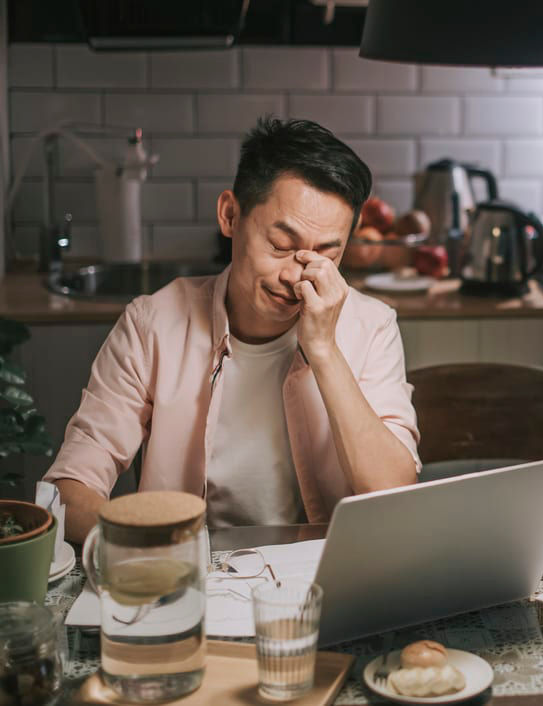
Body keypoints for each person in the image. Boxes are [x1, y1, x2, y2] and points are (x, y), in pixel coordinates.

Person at [44, 118, 420, 542]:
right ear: (230, 215)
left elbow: (394, 494)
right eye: (280, 245)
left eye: (326, 254)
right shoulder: (152, 324)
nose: (297, 277)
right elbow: (68, 493)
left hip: (325, 575)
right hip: (192, 575)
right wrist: (158, 551)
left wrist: (325, 351)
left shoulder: (372, 325)